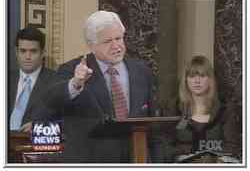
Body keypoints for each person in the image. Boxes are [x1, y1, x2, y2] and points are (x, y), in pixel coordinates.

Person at [44, 10, 158, 163]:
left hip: (137, 159)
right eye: (107, 41)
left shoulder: (141, 70)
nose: (116, 46)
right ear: (91, 45)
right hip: (91, 160)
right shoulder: (72, 69)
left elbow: (152, 121)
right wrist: (76, 83)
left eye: (119, 38)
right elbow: (50, 100)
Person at [161, 55, 240, 162]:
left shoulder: (225, 108)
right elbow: (165, 144)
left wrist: (211, 159)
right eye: (192, 76)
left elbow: (232, 146)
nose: (197, 81)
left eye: (202, 76)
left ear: (210, 79)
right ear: (186, 80)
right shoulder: (173, 107)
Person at [9, 27, 61, 132]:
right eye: (23, 51)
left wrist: (41, 128)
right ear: (16, 52)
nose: (27, 57)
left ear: (43, 53)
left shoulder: (56, 82)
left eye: (33, 51)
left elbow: (69, 122)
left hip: (35, 144)